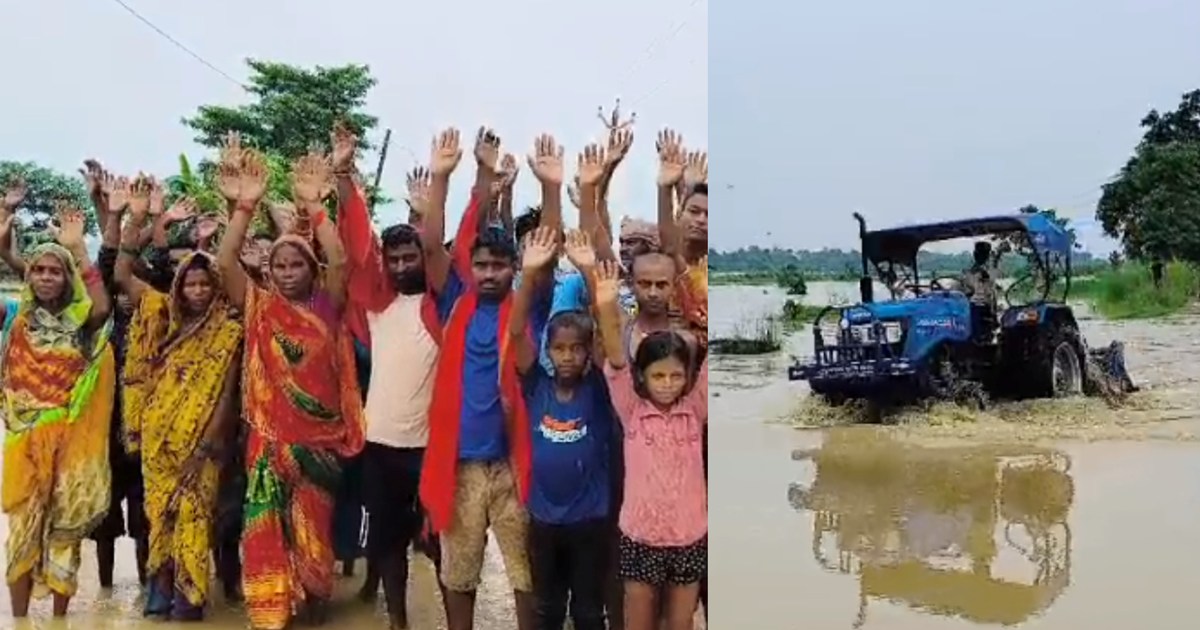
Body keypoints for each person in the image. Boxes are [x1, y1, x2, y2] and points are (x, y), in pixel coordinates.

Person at [214, 136, 365, 630]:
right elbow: (224, 263)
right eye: (279, 265)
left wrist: (315, 208)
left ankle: (315, 613)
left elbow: (341, 261)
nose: (287, 271)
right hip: (267, 445)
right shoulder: (259, 307)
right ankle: (272, 618)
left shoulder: (327, 305)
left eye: (297, 263)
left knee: (313, 539)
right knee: (263, 534)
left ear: (310, 268)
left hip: (319, 447)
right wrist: (243, 207)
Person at [420, 129, 562, 630]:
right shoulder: (454, 301)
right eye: (480, 264)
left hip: (515, 463)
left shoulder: (529, 305)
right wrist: (442, 177)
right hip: (458, 464)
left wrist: (550, 188)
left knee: (527, 576)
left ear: (513, 269)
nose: (488, 274)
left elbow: (547, 252)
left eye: (499, 266)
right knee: (458, 575)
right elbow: (432, 248)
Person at [335, 124, 453, 629]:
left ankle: (455, 620)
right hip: (379, 445)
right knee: (385, 546)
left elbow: (441, 254)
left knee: (441, 542)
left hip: (430, 448)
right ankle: (399, 622)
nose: (404, 263)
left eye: (411, 256)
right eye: (395, 257)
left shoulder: (440, 306)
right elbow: (354, 244)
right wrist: (345, 175)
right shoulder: (376, 305)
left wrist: (428, 209)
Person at [115, 176, 244, 621]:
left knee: (195, 515)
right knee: (159, 514)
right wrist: (136, 217)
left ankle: (190, 595)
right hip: (158, 439)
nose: (197, 291)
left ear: (216, 287)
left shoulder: (228, 331)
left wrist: (208, 443)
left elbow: (227, 393)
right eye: (190, 284)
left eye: (205, 284)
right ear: (178, 288)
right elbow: (120, 274)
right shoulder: (159, 315)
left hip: (202, 445)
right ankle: (160, 584)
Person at [0, 200, 116, 618]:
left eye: (55, 270)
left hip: (71, 445)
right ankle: (17, 621)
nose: (46, 277)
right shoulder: (15, 317)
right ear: (28, 276)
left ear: (68, 278)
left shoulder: (79, 320)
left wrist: (81, 250)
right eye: (39, 270)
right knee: (22, 532)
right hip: (23, 442)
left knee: (65, 534)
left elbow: (102, 307)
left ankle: (60, 621)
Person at [594, 259, 708, 630]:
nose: (667, 383)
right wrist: (607, 302)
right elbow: (614, 355)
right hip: (640, 535)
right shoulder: (631, 409)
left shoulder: (695, 409)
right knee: (638, 620)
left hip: (689, 535)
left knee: (681, 622)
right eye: (658, 375)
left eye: (676, 375)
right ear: (641, 377)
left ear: (689, 377)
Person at [511, 227, 614, 630]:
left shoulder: (601, 390)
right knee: (547, 610)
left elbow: (608, 335)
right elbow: (517, 332)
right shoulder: (536, 385)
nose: (568, 356)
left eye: (576, 348)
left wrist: (590, 271)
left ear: (588, 352)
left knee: (589, 611)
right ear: (547, 350)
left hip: (589, 523)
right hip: (543, 521)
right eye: (559, 348)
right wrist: (529, 274)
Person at [961, 241, 998, 307]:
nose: (983, 256)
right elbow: (966, 294)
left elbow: (992, 293)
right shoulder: (968, 274)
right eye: (980, 253)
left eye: (985, 254)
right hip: (973, 307)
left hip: (988, 307)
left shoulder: (991, 272)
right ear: (975, 254)